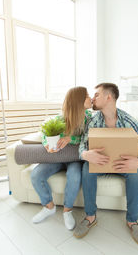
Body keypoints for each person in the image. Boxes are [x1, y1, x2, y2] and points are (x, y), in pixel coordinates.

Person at [73, 83, 138, 246]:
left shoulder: (129, 121)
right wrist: (86, 154)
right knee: (87, 168)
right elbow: (82, 145)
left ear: (109, 97)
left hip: (124, 164)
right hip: (101, 163)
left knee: (136, 173)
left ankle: (132, 221)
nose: (93, 98)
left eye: (97, 95)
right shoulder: (92, 121)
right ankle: (90, 217)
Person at [30, 86, 92, 230]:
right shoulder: (61, 118)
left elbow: (87, 139)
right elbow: (45, 131)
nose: (90, 99)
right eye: (87, 96)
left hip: (75, 159)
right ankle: (49, 207)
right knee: (36, 174)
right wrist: (47, 144)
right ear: (78, 101)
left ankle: (67, 211)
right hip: (57, 158)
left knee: (75, 176)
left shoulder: (90, 118)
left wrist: (71, 139)